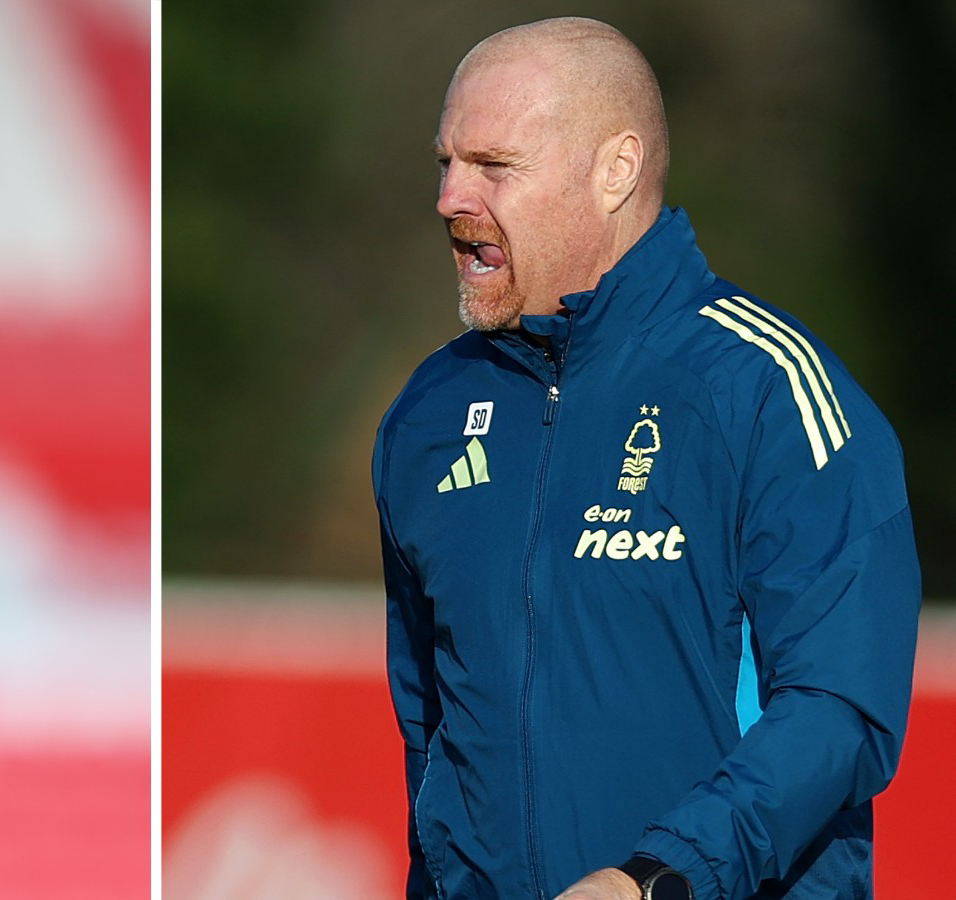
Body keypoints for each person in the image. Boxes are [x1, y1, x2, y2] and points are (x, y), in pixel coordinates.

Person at [373, 17, 919, 900]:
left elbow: (840, 712)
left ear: (615, 171)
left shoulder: (770, 393)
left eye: (492, 166)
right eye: (445, 162)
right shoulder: (428, 416)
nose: (450, 196)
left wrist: (657, 879)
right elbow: (430, 733)